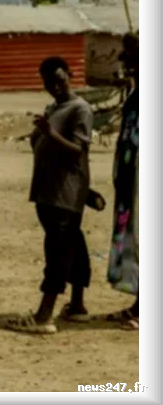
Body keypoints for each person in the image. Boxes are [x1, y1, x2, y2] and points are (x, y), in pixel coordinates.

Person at [7, 57, 94, 335]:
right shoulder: (55, 107)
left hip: (64, 193)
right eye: (48, 82)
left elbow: (77, 150)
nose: (54, 86)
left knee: (57, 250)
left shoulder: (80, 109)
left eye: (59, 79)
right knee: (72, 245)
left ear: (70, 74)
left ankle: (45, 315)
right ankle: (77, 305)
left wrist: (50, 133)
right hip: (50, 190)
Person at [105, 34, 138, 331]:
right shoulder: (134, 95)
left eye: (130, 56)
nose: (125, 62)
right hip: (131, 178)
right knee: (133, 238)